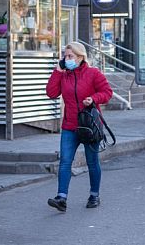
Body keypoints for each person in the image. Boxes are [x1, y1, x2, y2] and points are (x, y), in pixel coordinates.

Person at [46, 42, 113, 212]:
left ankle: (94, 194)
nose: (66, 59)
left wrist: (93, 99)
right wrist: (57, 71)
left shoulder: (93, 73)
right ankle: (61, 197)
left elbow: (107, 92)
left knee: (92, 161)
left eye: (70, 56)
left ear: (80, 57)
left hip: (89, 125)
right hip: (70, 125)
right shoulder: (64, 75)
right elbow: (51, 93)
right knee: (65, 161)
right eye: (65, 56)